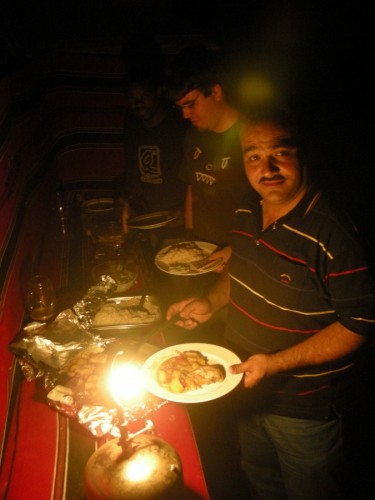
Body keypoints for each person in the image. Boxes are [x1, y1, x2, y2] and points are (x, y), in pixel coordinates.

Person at [166, 109, 375, 499]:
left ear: (302, 155)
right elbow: (241, 266)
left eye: (281, 152)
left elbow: (360, 324)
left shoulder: (333, 233)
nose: (268, 168)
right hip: (244, 384)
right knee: (261, 480)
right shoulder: (248, 206)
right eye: (254, 156)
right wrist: (211, 301)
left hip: (303, 408)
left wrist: (275, 363)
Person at [165, 44, 253, 259]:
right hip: (201, 249)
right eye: (180, 107)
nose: (185, 114)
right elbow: (191, 187)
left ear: (215, 91)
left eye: (190, 104)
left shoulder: (253, 137)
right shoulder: (193, 135)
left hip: (240, 253)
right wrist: (189, 236)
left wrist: (236, 250)